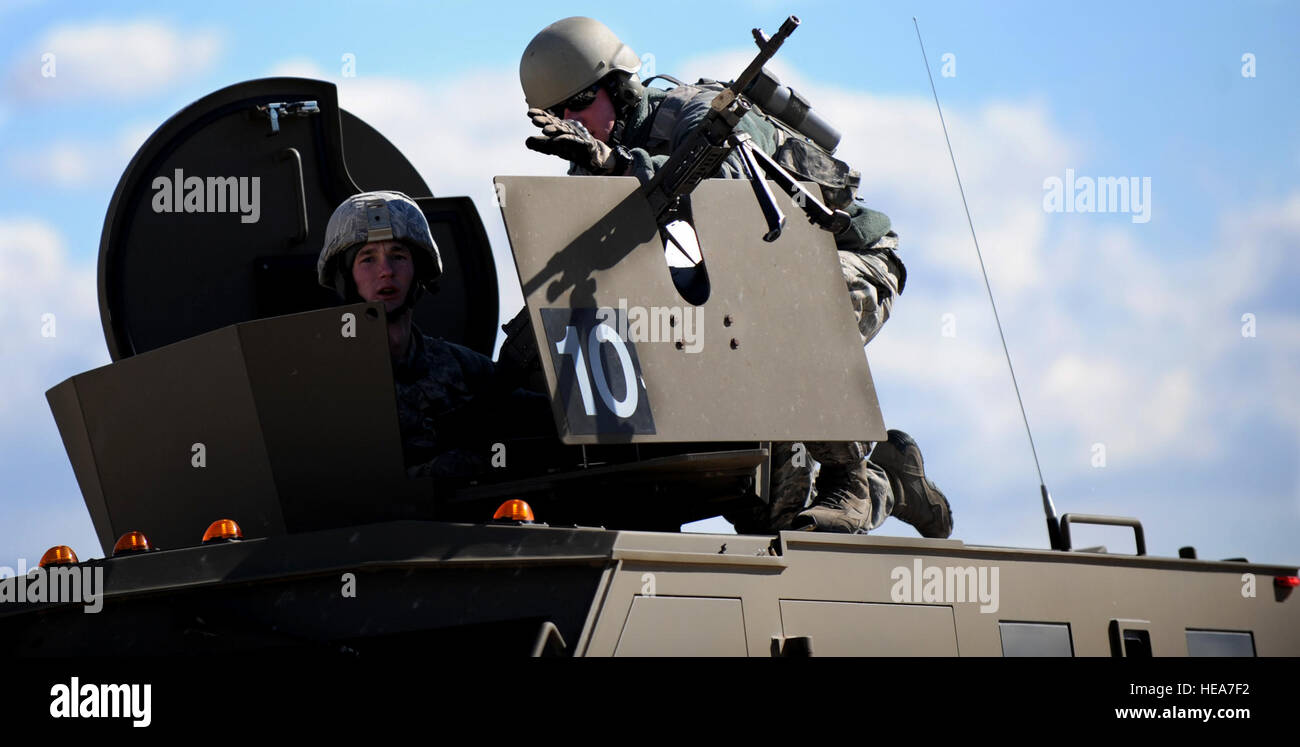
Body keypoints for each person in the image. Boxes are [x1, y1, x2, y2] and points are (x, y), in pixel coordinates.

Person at [518, 17, 953, 537]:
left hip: (843, 258)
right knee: (779, 517)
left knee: (777, 310)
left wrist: (616, 164)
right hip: (751, 280)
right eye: (556, 113)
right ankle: (892, 479)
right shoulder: (598, 163)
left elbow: (723, 197)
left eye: (579, 103)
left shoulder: (701, 113)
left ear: (615, 85)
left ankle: (850, 476)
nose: (572, 121)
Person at [317, 190, 545, 479]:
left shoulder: (460, 367)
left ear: (419, 270)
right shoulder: (323, 379)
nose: (386, 271)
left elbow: (539, 415)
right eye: (367, 259)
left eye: (398, 256)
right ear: (345, 277)